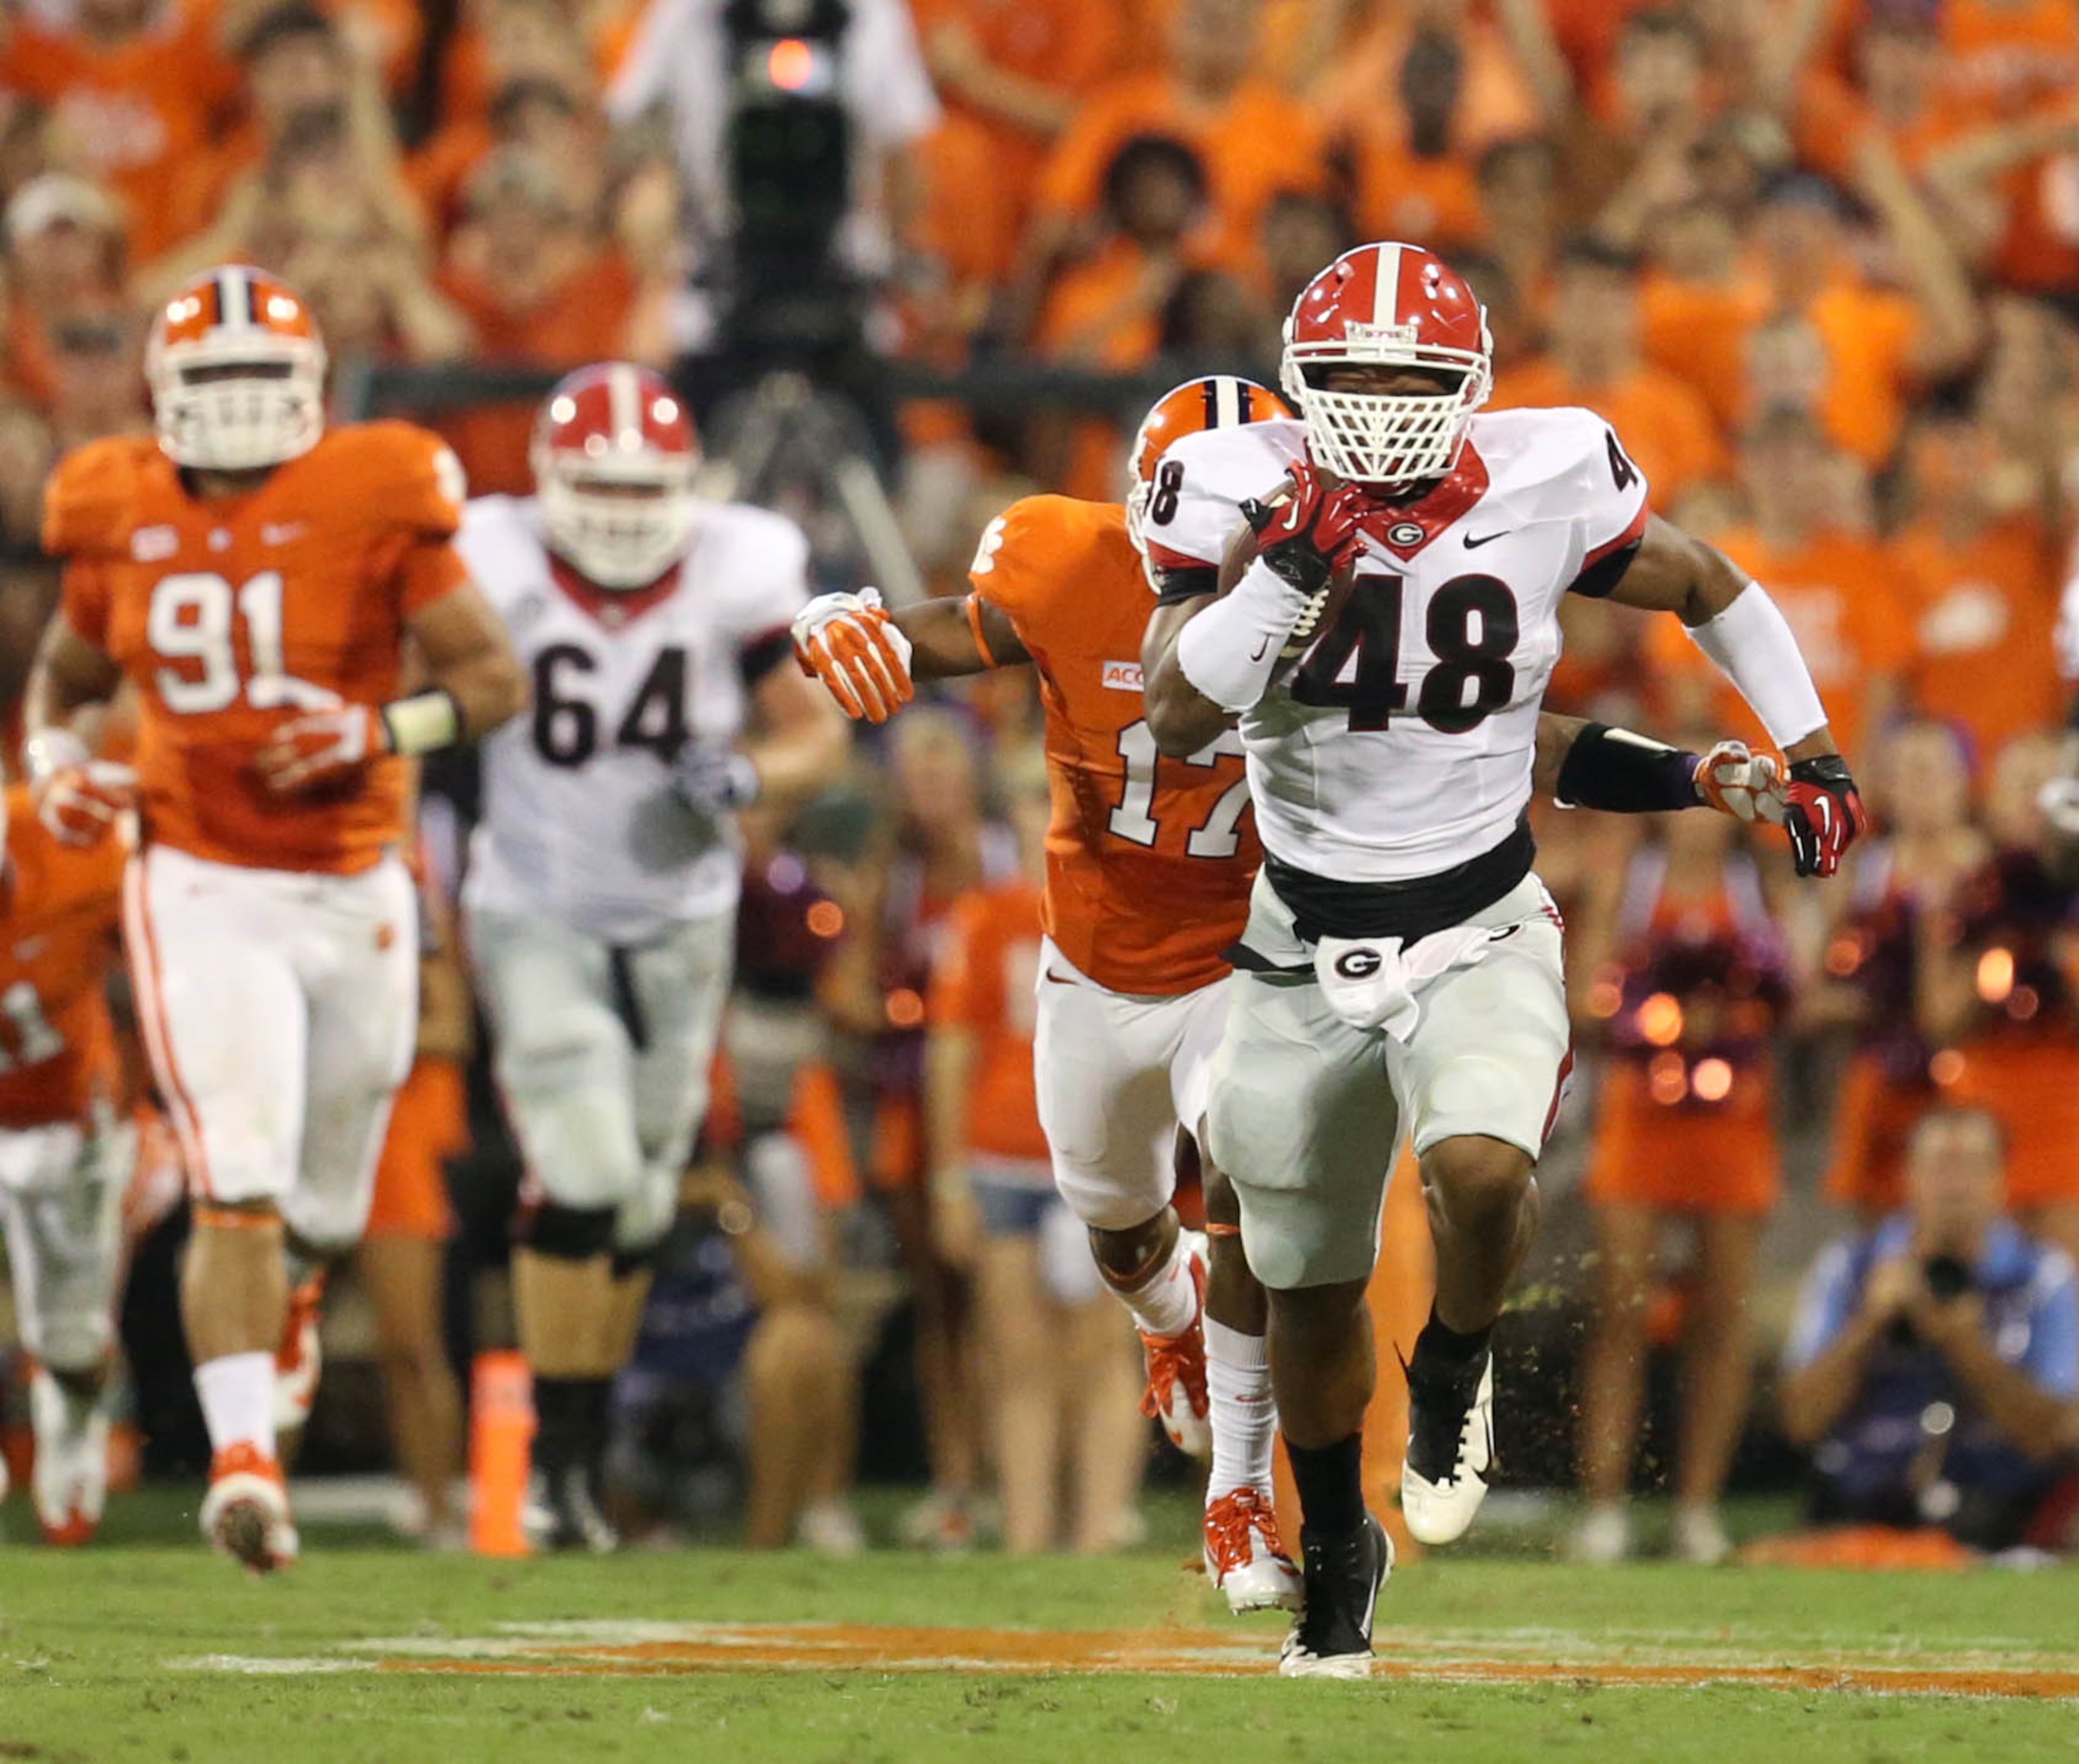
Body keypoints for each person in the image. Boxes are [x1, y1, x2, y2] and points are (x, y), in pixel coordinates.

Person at [794, 371, 1792, 1611]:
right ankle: (1168, 1326)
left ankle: (1238, 1493)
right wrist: (841, 623)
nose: (1241, 533)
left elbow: (1509, 740)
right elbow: (938, 632)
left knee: (1248, 1184)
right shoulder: (1067, 557)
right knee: (1114, 1221)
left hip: (1248, 950)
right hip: (1095, 960)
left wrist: (1694, 771)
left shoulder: (1351, 560)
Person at [1138, 241, 1863, 1674]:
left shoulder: (1548, 473)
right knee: (1306, 1281)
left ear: (1472, 389)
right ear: (1301, 383)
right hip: (1300, 935)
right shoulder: (1234, 480)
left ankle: (1460, 1361)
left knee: (1483, 1171)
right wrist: (1281, 575)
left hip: (1480, 915)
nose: (1386, 403)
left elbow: (1707, 580)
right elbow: (1172, 709)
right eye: (1355, 377)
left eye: (1417, 378)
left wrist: (1813, 740)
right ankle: (1339, 1543)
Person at [23, 264, 528, 1573]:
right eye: (218, 382)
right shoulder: (115, 502)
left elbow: (490, 680)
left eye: (266, 381)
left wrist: (374, 725)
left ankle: (291, 1302)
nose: (243, 409)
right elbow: (66, 686)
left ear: (310, 392)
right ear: (165, 396)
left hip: (355, 879)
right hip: (198, 876)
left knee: (321, 1204)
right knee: (234, 1180)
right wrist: (62, 756)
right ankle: (245, 1460)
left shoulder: (376, 492)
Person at [456, 361, 844, 1550]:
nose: (624, 512)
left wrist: (747, 778)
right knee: (577, 1161)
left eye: (646, 487)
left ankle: (570, 1464)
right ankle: (557, 1470)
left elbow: (815, 734)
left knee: (632, 1198)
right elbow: (432, 678)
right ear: (550, 482)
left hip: (683, 910)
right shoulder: (490, 553)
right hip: (538, 900)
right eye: (602, 487)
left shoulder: (741, 562)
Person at [926, 742, 1144, 1555]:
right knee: (1015, 1357)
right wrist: (948, 1180)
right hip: (1004, 1156)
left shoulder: (1120, 909)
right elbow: (950, 1052)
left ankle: (1094, 1534)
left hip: (1096, 1158)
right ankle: (1025, 1534)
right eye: (1028, 795)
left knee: (1101, 1355)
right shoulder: (985, 916)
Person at [1569, 792, 1792, 1565]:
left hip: (1736, 1119)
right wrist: (1659, 1013)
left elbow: (1803, 981)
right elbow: (1584, 995)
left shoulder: (1757, 883)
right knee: (1622, 1308)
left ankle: (1698, 1506)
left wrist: (1730, 1015)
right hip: (1642, 1112)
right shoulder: (1630, 875)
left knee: (1722, 1314)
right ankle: (1604, 1504)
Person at [1781, 1104, 2078, 1552]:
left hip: (1999, 1512)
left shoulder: (2043, 1277)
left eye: (1972, 1167)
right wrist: (1869, 1325)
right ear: (1909, 1178)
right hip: (1860, 1505)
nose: (1955, 1186)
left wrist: (1967, 1347)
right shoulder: (1850, 1269)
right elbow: (1801, 1422)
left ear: (2002, 1181)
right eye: (1940, 1167)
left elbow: (2050, 1436)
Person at [0, 780, 131, 1545]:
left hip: (66, 1120)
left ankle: (73, 1418)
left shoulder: (71, 847)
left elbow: (158, 963)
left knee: (73, 1340)